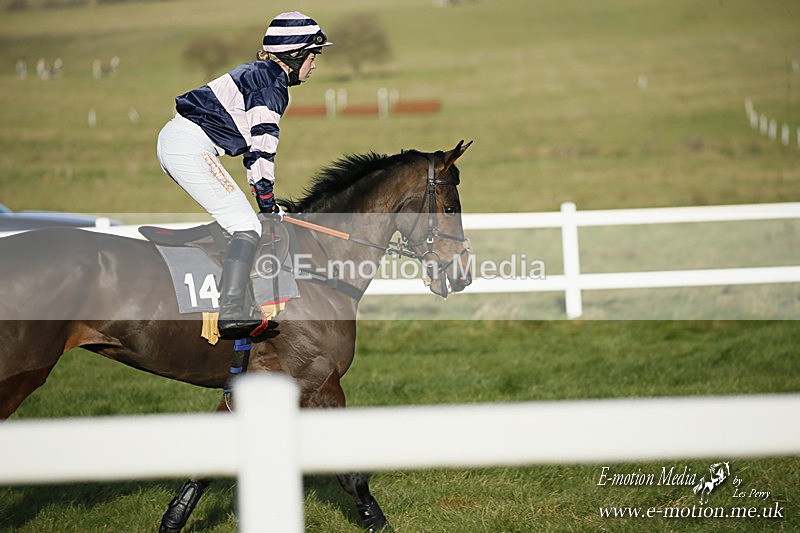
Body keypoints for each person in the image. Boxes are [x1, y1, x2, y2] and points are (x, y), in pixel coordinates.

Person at [156, 12, 332, 340]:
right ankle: (232, 312)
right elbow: (264, 150)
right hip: (188, 147)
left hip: (181, 141)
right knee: (247, 225)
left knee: (240, 220)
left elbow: (253, 152)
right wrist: (267, 204)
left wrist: (266, 200)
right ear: (295, 56)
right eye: (313, 56)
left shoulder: (261, 75)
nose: (314, 65)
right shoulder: (271, 85)